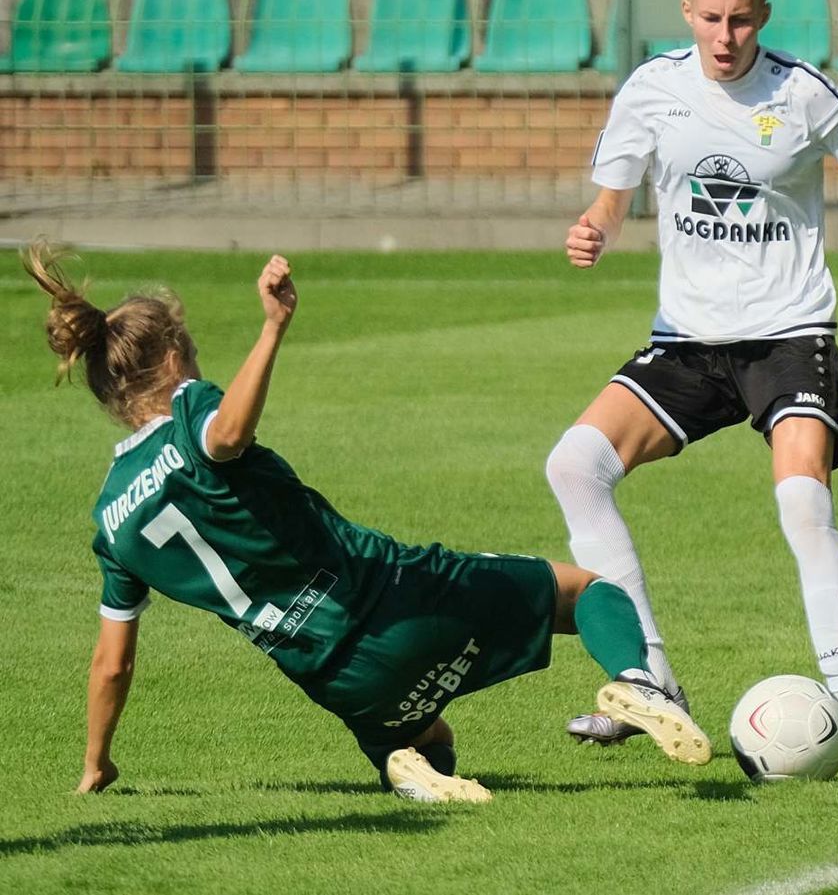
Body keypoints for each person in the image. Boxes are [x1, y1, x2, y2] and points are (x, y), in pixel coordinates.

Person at [24, 244, 713, 805]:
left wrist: (97, 762)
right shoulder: (189, 410)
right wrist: (272, 328)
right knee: (589, 592)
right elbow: (226, 435)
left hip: (333, 675)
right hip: (386, 595)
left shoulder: (111, 518)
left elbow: (111, 662)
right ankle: (638, 679)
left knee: (420, 733)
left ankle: (405, 765)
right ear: (174, 357)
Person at [545, 0, 838, 767]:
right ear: (686, 11)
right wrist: (593, 227)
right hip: (687, 342)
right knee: (574, 464)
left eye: (743, 21)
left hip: (789, 335)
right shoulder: (650, 89)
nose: (726, 37)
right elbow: (613, 198)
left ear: (764, 16)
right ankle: (650, 679)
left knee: (804, 503)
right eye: (711, 19)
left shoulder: (804, 96)